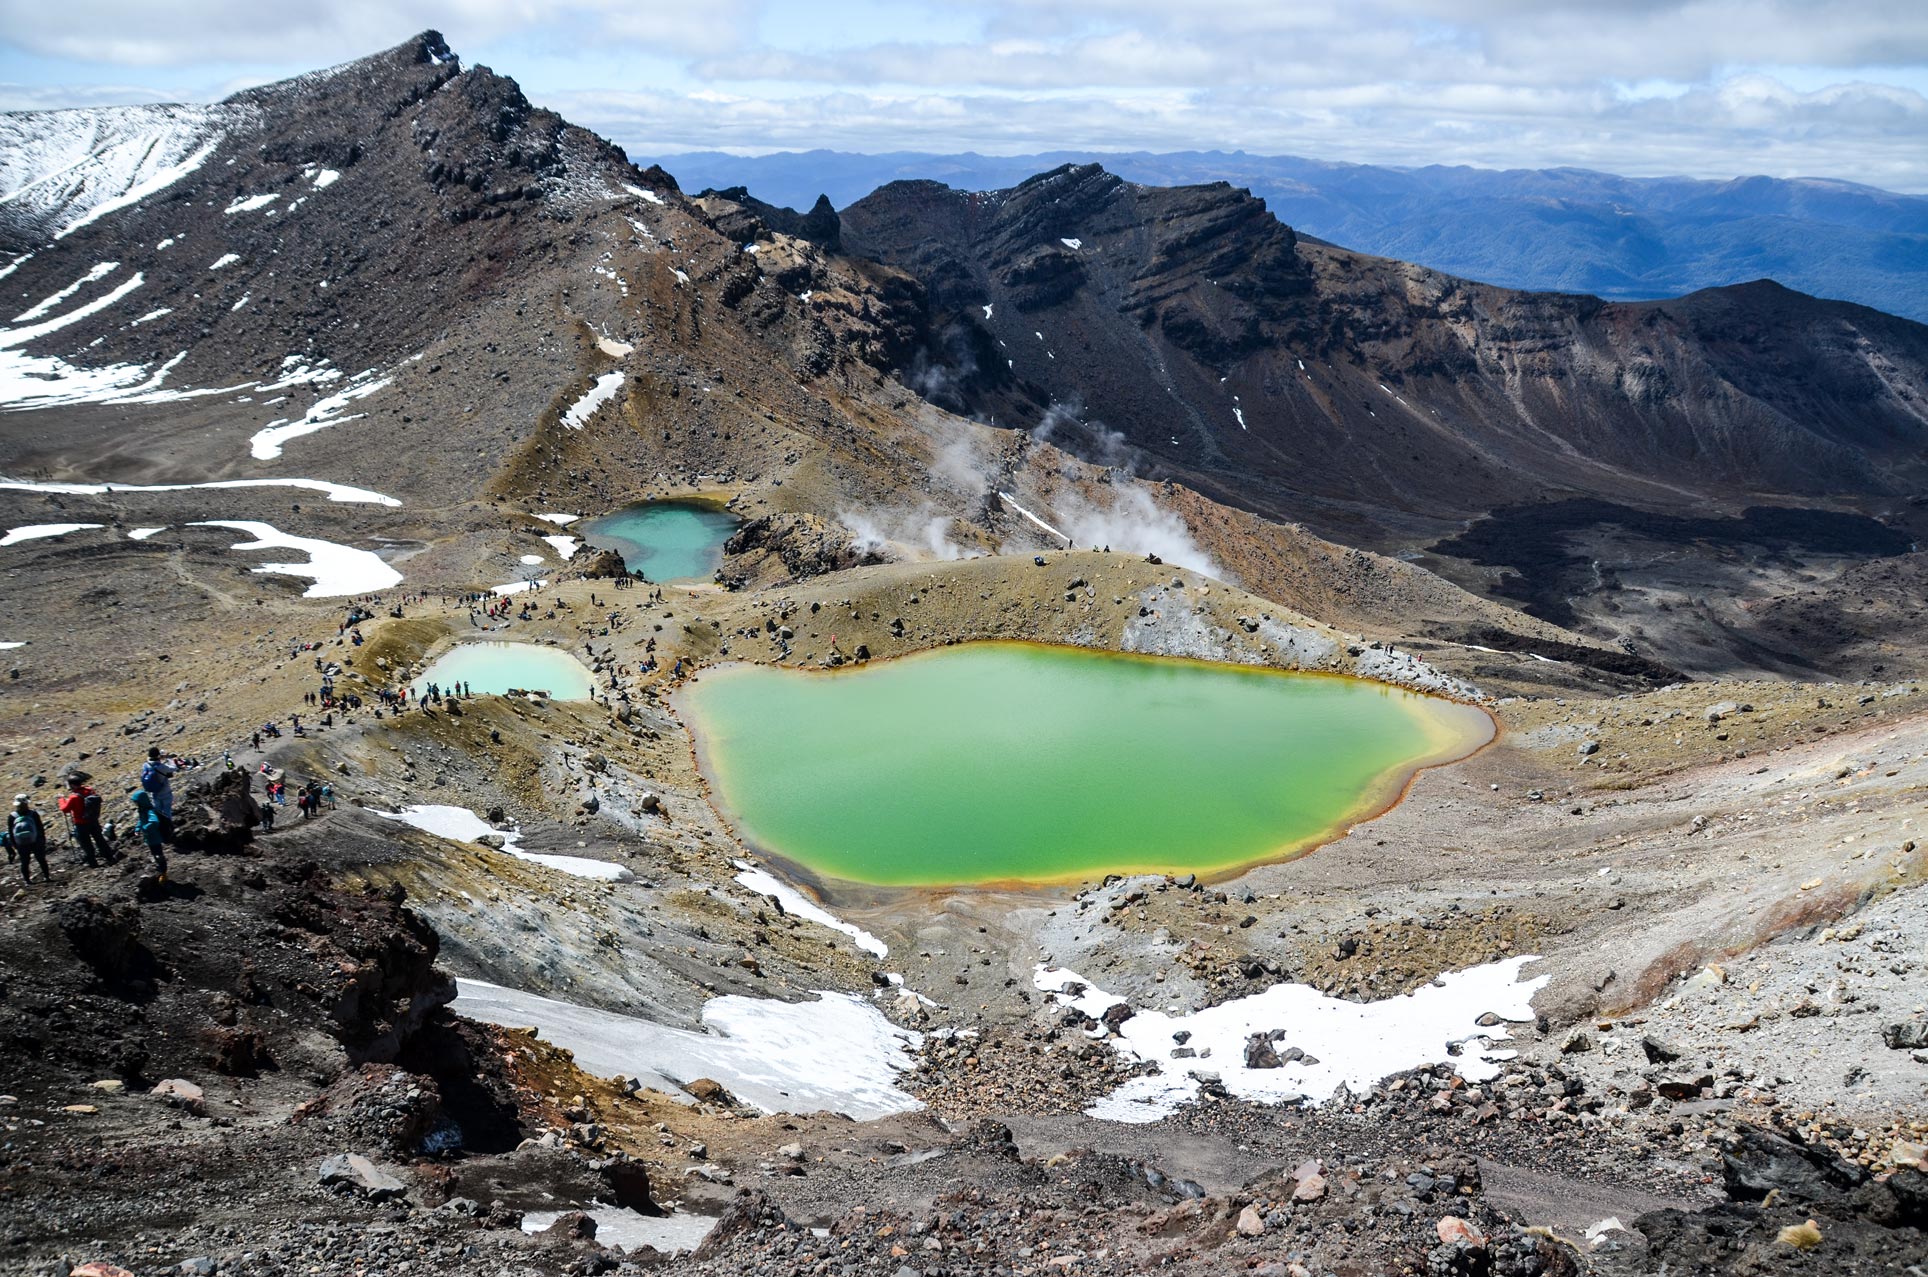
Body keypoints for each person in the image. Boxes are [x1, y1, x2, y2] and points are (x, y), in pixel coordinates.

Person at [58, 775, 117, 867]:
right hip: (93, 820)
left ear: (72, 785)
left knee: (86, 844)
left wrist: (61, 799)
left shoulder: (74, 797)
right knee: (100, 840)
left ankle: (93, 863)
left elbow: (65, 809)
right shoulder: (89, 790)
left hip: (81, 824)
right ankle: (109, 857)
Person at [4, 794, 50, 883]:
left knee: (25, 861)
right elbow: (40, 828)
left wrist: (14, 844)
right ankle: (46, 876)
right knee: (41, 859)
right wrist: (42, 839)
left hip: (21, 843)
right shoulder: (33, 814)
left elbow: (11, 832)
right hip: (36, 840)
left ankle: (27, 880)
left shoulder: (12, 816)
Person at [128, 789, 167, 881]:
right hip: (149, 838)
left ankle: (163, 872)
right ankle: (160, 869)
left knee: (159, 855)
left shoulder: (149, 811)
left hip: (155, 837)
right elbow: (141, 821)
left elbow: (154, 822)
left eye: (136, 802)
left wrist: (145, 828)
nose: (136, 804)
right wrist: (137, 828)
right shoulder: (142, 811)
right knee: (155, 854)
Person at [140, 746, 179, 837]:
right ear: (158, 756)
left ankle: (159, 830)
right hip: (165, 791)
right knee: (167, 811)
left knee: (157, 811)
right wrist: (169, 758)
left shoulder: (145, 765)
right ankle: (169, 830)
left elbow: (151, 761)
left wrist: (159, 758)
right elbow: (174, 768)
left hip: (154, 792)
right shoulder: (161, 767)